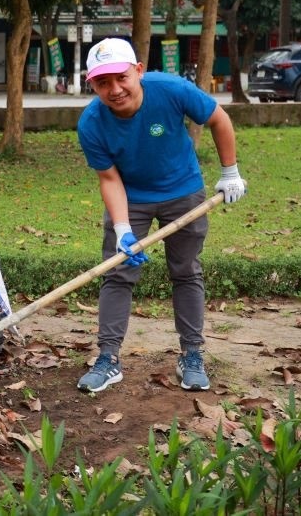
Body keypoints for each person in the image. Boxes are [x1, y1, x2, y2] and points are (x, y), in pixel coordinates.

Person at [75, 38, 247, 393]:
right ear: (91, 84)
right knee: (117, 273)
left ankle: (192, 354)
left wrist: (230, 171)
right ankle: (108, 358)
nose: (114, 89)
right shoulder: (91, 122)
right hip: (132, 196)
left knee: (186, 272)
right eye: (102, 83)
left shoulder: (170, 89)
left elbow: (219, 118)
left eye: (121, 77)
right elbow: (109, 178)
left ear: (138, 70)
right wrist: (123, 228)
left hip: (183, 191)